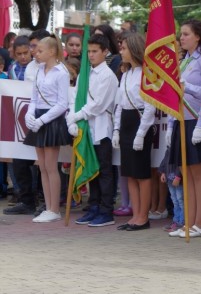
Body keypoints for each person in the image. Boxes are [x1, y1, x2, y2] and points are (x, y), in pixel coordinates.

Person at [166, 19, 201, 238]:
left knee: (199, 173)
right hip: (181, 120)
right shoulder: (183, 62)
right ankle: (190, 222)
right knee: (186, 174)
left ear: (198, 36)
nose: (181, 38)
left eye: (186, 34)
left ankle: (200, 222)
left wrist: (189, 88)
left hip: (197, 121)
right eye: (181, 34)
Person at [68, 34, 119, 227]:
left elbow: (98, 105)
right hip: (85, 127)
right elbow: (75, 97)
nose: (90, 55)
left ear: (105, 52)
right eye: (88, 51)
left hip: (101, 127)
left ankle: (106, 210)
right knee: (91, 169)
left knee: (104, 170)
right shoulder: (84, 73)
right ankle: (94, 206)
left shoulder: (108, 76)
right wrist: (71, 120)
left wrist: (77, 115)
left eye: (95, 51)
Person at [23, 35, 71, 222]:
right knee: (42, 166)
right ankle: (48, 207)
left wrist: (42, 120)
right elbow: (34, 98)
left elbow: (62, 104)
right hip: (38, 118)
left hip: (52, 119)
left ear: (52, 52)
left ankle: (54, 209)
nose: (36, 53)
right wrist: (29, 114)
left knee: (51, 166)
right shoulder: (39, 70)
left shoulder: (62, 72)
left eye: (40, 50)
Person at [112, 33, 156, 231]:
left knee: (142, 174)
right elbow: (120, 104)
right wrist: (116, 130)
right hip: (127, 123)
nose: (121, 51)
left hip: (140, 124)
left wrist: (141, 133)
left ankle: (143, 217)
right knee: (129, 173)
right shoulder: (126, 73)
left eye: (124, 48)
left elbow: (150, 107)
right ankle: (134, 215)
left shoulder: (146, 73)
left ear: (135, 49)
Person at [3, 36, 39, 216]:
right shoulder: (12, 69)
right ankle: (26, 201)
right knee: (19, 161)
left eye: (26, 53)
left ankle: (45, 200)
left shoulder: (38, 67)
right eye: (19, 54)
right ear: (14, 54)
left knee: (42, 163)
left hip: (38, 119)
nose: (23, 57)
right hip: (18, 119)